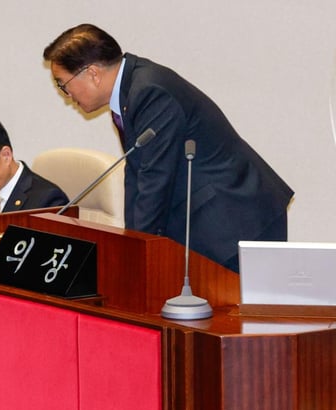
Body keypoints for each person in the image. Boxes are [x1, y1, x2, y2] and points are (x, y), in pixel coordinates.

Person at [42, 24, 294, 273]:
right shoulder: (130, 92)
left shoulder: (150, 92)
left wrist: (138, 252)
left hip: (235, 221)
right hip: (215, 220)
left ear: (93, 73)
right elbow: (137, 175)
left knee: (247, 310)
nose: (66, 95)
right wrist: (131, 242)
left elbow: (155, 180)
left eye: (64, 84)